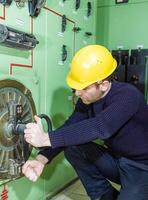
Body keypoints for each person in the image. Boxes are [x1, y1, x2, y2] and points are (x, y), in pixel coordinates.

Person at [22, 45, 148, 200]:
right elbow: (70, 127)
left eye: (83, 88)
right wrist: (42, 159)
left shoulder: (128, 96)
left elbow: (101, 127)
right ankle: (104, 196)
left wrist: (45, 138)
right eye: (74, 88)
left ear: (104, 84)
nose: (77, 93)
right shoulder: (88, 99)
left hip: (142, 168)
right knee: (73, 146)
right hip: (116, 161)